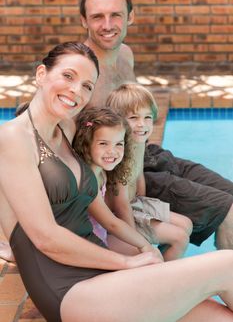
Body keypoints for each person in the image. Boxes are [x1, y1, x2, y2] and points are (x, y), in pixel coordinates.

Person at [1, 41, 233, 322]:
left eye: (88, 85)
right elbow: (46, 237)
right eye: (68, 76)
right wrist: (128, 261)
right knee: (228, 265)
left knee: (220, 317)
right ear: (41, 74)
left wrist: (143, 251)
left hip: (103, 275)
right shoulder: (13, 137)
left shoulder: (67, 126)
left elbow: (109, 157)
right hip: (68, 289)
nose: (77, 91)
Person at [79, 0, 233, 249]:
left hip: (147, 156)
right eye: (97, 17)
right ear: (84, 21)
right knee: (228, 210)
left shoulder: (125, 54)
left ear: (131, 17)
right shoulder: (82, 75)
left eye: (116, 15)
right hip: (124, 173)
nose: (107, 25)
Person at [106, 82, 193, 261]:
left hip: (136, 203)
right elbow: (119, 203)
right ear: (118, 120)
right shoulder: (119, 152)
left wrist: (145, 204)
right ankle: (163, 279)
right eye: (133, 118)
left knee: (186, 224)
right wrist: (135, 240)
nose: (142, 125)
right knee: (180, 238)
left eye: (147, 117)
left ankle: (164, 260)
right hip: (121, 214)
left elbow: (138, 175)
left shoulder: (138, 143)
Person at [73, 106, 133, 246]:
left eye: (119, 144)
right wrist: (144, 245)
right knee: (148, 256)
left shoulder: (102, 172)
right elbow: (111, 224)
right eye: (103, 144)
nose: (112, 151)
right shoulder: (88, 179)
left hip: (101, 238)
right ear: (86, 144)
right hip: (89, 246)